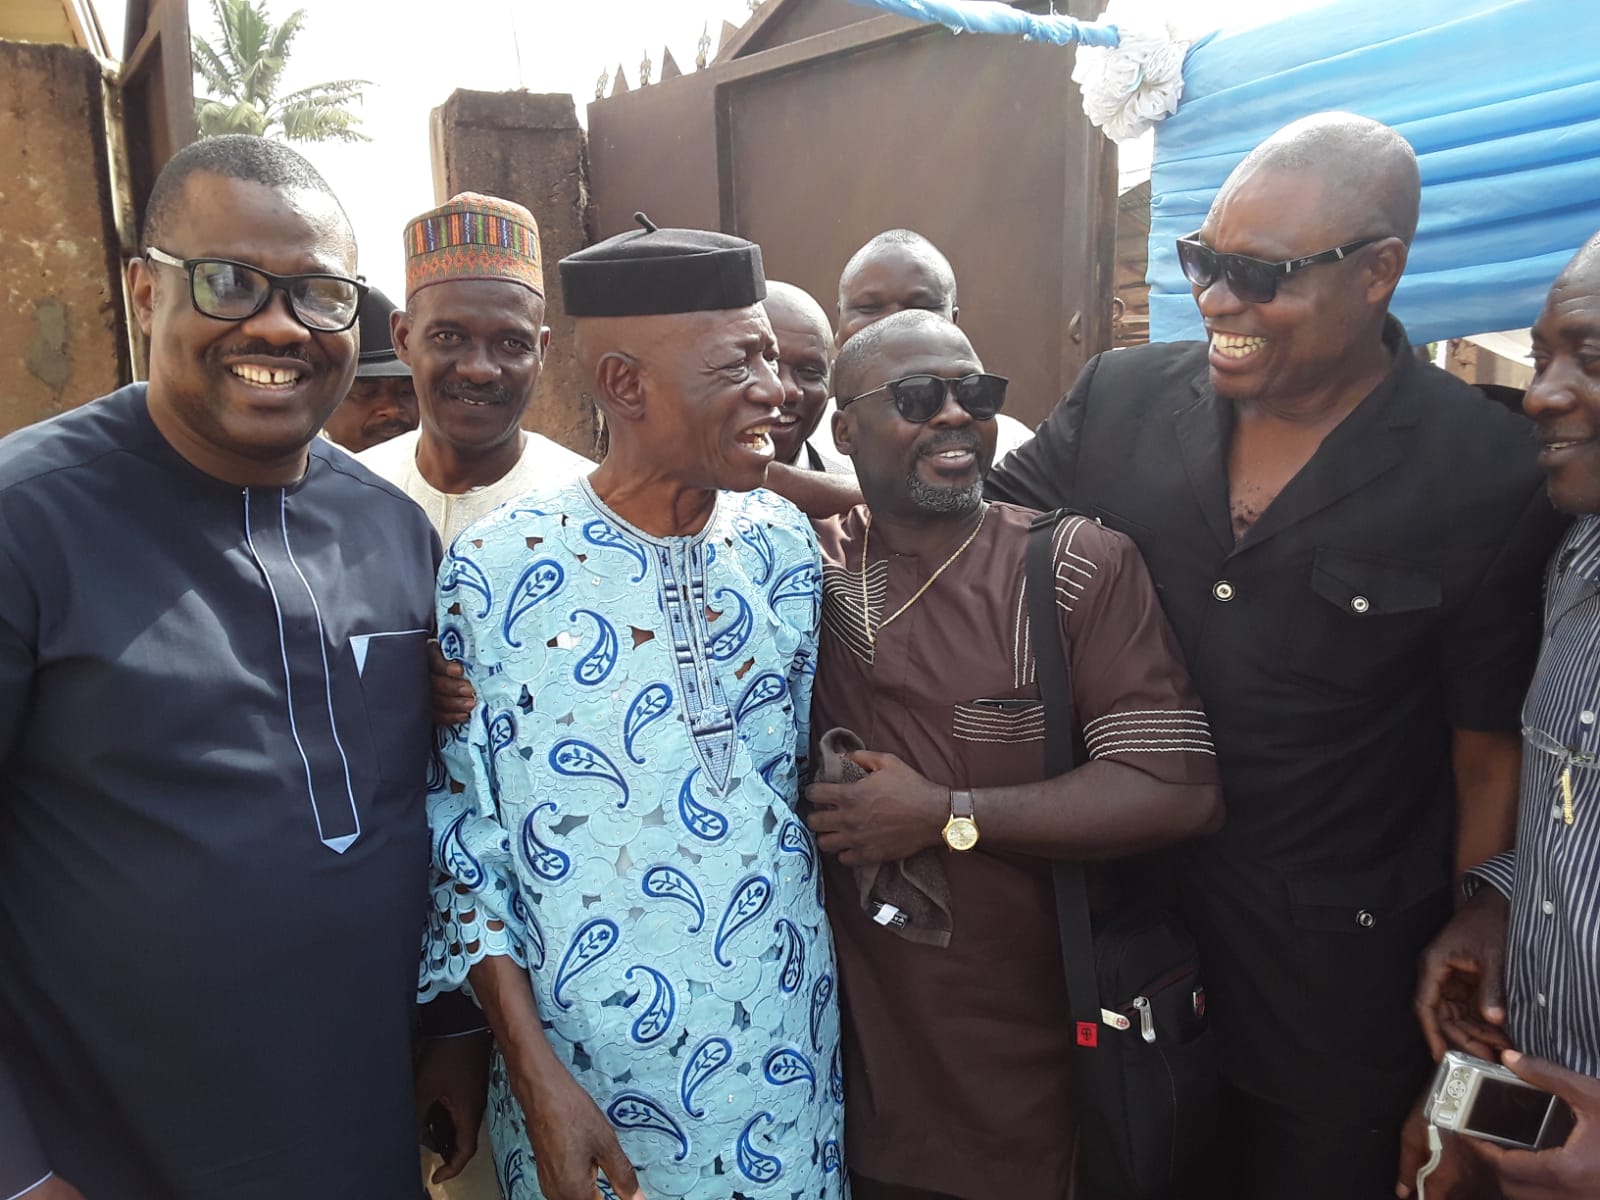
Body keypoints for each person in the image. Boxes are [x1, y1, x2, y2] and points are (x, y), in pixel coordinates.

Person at [981, 112, 1567, 1198]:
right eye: (1204, 262)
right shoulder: (1119, 402)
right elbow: (971, 547)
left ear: (1378, 273)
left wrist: (1475, 917)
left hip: (1332, 997)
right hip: (1125, 949)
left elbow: (1484, 755)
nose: (1216, 300)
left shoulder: (1482, 473)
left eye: (1260, 274)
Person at [0, 135, 481, 1200]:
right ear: (142, 291)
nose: (279, 325)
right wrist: (18, 1168)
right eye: (230, 283)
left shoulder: (394, 533)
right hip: (108, 1152)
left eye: (319, 295)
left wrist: (451, 1025)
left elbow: (429, 805)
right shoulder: (27, 522)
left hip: (355, 1131)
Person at [419, 216, 844, 1200]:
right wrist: (533, 1077)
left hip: (785, 1060)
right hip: (587, 1083)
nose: (777, 392)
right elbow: (465, 850)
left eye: (774, 359)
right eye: (740, 363)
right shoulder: (495, 571)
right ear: (623, 385)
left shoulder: (782, 543)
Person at [807, 310, 1222, 1200]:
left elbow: (1175, 790)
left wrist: (948, 815)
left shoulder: (1071, 566)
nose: (956, 415)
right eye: (920, 397)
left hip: (1031, 1089)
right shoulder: (803, 573)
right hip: (840, 1091)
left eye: (977, 394)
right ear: (843, 431)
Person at [1411, 233, 1600, 1200]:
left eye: (1592, 359)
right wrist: (1496, 902)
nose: (1541, 394)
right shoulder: (1577, 563)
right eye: (1543, 355)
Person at [357, 192, 593, 544]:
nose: (480, 370)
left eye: (512, 344)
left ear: (541, 351)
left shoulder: (588, 514)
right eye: (449, 336)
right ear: (404, 338)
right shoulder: (355, 495)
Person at [764, 280, 851, 475]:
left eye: (810, 372)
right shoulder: (686, 491)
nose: (788, 390)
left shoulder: (857, 494)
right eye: (768, 364)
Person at [321, 286, 419, 452]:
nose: (392, 410)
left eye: (406, 391)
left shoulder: (445, 474)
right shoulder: (283, 474)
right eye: (367, 392)